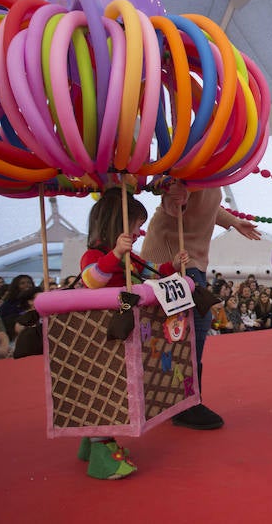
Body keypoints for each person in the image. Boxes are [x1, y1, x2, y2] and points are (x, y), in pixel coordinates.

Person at [76, 186, 188, 480]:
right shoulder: (95, 254)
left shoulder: (130, 258)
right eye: (136, 226)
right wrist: (114, 254)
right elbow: (91, 280)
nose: (139, 233)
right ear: (118, 226)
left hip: (122, 330)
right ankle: (102, 450)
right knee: (110, 386)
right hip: (102, 332)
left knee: (114, 382)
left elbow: (151, 271)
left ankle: (90, 440)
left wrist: (173, 266)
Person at [140, 181, 260, 430]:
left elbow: (210, 206)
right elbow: (173, 205)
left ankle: (177, 398)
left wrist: (234, 222)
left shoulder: (211, 176)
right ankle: (185, 402)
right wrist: (176, 197)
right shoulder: (192, 169)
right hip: (170, 259)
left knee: (186, 328)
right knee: (191, 326)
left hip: (191, 260)